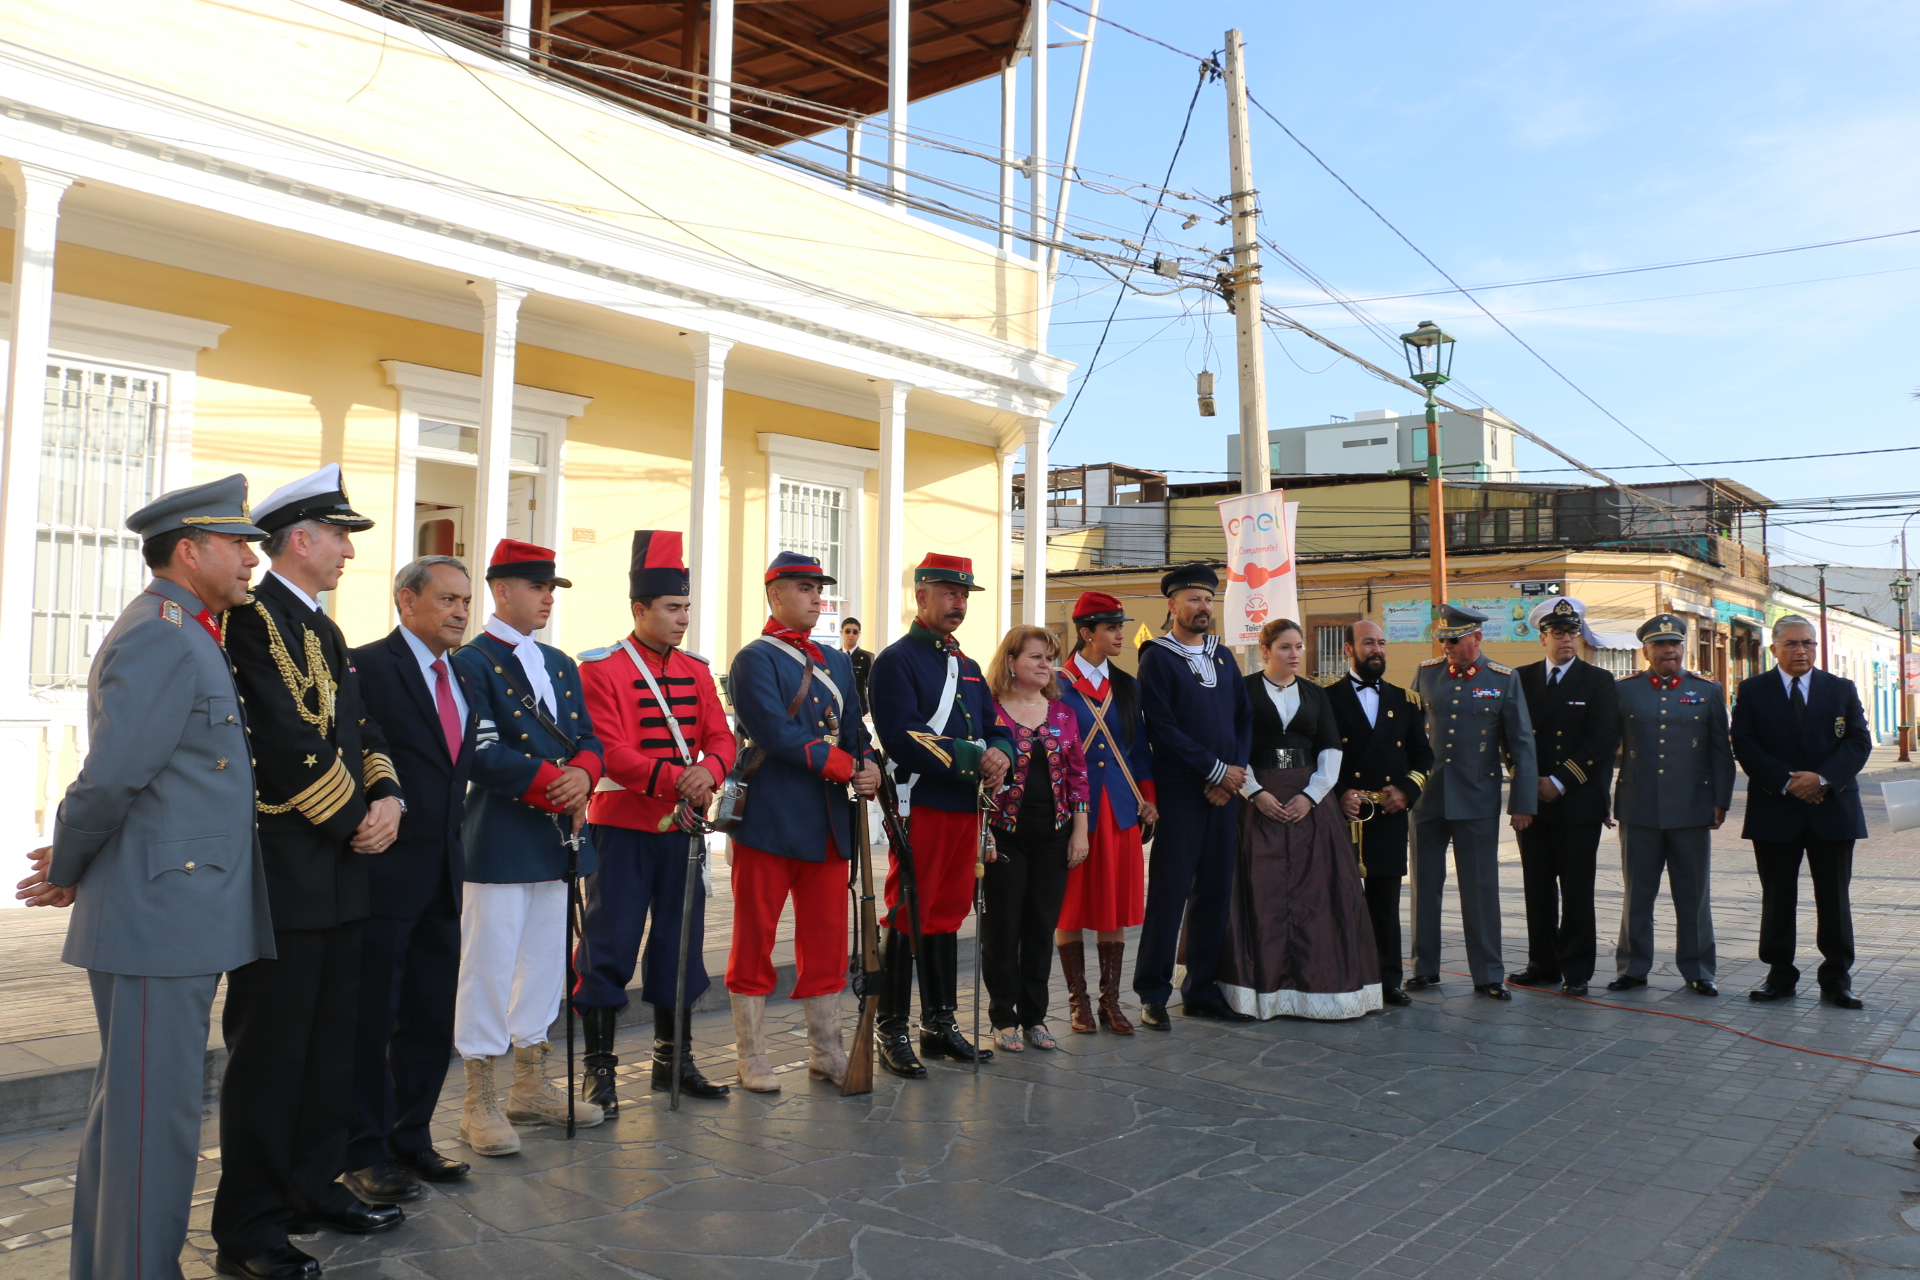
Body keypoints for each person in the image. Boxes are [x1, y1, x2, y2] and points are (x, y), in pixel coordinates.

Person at [16, 477, 274, 1280]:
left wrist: (76, 864)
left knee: (134, 1117)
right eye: (237, 544)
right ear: (190, 550)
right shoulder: (166, 633)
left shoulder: (190, 628)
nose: (250, 559)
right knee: (149, 1125)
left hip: (176, 904)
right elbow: (114, 774)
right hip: (164, 912)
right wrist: (69, 862)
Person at [214, 464, 407, 1275]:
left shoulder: (324, 631)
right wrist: (352, 816)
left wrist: (388, 795)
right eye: (338, 537)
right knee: (272, 1054)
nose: (346, 553)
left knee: (334, 1044)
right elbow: (285, 743)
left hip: (341, 870)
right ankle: (251, 1227)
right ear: (301, 538)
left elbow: (359, 731)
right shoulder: (252, 623)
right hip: (289, 867)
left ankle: (314, 1184)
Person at [450, 539, 607, 1155]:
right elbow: (482, 754)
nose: (547, 598)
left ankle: (530, 1083)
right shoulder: (472, 663)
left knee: (545, 959)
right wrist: (558, 783)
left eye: (551, 589)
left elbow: (589, 736)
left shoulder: (560, 663)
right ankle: (479, 1096)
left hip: (557, 834)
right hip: (499, 835)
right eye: (537, 587)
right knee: (488, 965)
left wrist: (587, 774)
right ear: (502, 590)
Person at [575, 531, 736, 1108]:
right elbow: (610, 749)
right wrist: (679, 779)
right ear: (639, 609)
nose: (683, 619)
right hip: (621, 828)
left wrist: (711, 770)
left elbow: (721, 736)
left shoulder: (696, 670)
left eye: (687, 607)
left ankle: (674, 1061)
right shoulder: (601, 669)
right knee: (608, 945)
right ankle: (600, 1068)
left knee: (680, 945)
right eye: (672, 608)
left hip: (681, 831)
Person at [343, 556, 478, 1206]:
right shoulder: (367, 666)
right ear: (406, 600)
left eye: (465, 601)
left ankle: (412, 1137)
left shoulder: (463, 675)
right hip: (384, 874)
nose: (460, 611)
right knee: (374, 1017)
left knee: (430, 1014)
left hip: (445, 873)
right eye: (448, 599)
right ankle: (363, 1152)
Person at [722, 552, 880, 1089]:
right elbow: (775, 732)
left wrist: (871, 766)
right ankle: (752, 1055)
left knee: (828, 940)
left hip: (829, 822)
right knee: (753, 937)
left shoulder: (836, 662)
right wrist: (843, 767)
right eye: (805, 588)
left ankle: (827, 1050)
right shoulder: (753, 659)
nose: (818, 597)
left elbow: (855, 729)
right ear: (775, 595)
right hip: (770, 818)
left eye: (819, 588)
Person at [868, 553, 1014, 1075]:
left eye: (964, 596)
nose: (958, 604)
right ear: (921, 596)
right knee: (908, 910)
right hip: (921, 801)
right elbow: (902, 736)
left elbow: (996, 725)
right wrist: (976, 757)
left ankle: (939, 1023)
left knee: (948, 911)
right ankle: (891, 1027)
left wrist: (1004, 752)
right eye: (948, 593)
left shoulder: (969, 667)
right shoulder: (897, 660)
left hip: (964, 807)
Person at [1218, 618, 1379, 1019]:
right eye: (1286, 647)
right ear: (1266, 649)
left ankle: (1318, 988)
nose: (1294, 654)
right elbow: (1235, 747)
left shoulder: (1314, 693)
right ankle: (1260, 991)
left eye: (1298, 647)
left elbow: (1329, 747)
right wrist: (1255, 793)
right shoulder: (1244, 690)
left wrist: (1312, 795)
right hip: (1259, 796)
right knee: (1260, 892)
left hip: (1310, 803)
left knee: (1318, 892)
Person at [1731, 614, 1873, 1007]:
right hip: (1776, 809)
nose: (1801, 651)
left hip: (1832, 809)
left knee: (1834, 898)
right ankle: (1779, 976)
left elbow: (1859, 742)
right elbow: (1744, 743)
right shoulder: (1753, 690)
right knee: (1777, 897)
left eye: (1808, 643)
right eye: (1792, 643)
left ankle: (1836, 979)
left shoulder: (1840, 689)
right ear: (1774, 648)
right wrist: (1789, 781)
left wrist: (1823, 779)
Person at [1134, 563, 1254, 1026]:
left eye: (1208, 599)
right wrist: (1217, 770)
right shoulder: (1157, 658)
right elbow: (1160, 728)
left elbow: (1243, 718)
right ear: (1172, 605)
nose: (1203, 607)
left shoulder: (1223, 655)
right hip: (1182, 793)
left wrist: (1234, 775)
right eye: (1193, 599)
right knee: (1169, 892)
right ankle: (1152, 992)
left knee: (1215, 893)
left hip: (1223, 795)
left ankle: (1202, 988)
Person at [1407, 603, 1538, 999]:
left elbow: (1520, 743)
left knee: (1480, 889)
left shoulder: (1502, 679)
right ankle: (1424, 968)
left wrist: (1522, 802)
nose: (1447, 645)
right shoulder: (1426, 674)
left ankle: (1487, 974)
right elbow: (1412, 737)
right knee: (1424, 887)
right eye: (1443, 638)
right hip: (1428, 797)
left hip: (1476, 798)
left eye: (1455, 638)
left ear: (1477, 638)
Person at [1609, 613, 1733, 996]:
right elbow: (1605, 748)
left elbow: (1720, 751)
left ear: (1683, 648)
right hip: (1639, 806)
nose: (1669, 651)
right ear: (1645, 651)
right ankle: (1633, 967)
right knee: (1637, 893)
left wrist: (1720, 800)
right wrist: (1603, 799)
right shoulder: (1624, 690)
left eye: (1675, 644)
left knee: (1693, 894)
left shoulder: (1708, 690)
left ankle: (1698, 970)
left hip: (1692, 807)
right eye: (1660, 645)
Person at [981, 626, 1089, 1051]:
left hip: (1054, 835)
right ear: (1011, 662)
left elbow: (1080, 778)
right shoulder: (991, 711)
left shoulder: (1064, 713)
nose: (1047, 666)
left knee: (1042, 927)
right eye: (1036, 657)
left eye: (1050, 658)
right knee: (1003, 928)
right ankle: (1002, 1017)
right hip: (1004, 834)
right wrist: (982, 834)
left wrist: (1079, 831)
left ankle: (1035, 1018)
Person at [1055, 592, 1156, 1034]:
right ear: (1086, 634)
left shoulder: (1127, 684)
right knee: (1070, 906)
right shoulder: (1056, 683)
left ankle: (1110, 1002)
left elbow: (1138, 748)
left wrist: (1148, 797)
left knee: (1113, 905)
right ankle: (1078, 1002)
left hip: (1118, 806)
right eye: (1111, 627)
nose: (1120, 634)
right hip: (1072, 809)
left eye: (1120, 626)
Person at [1510, 597, 1621, 996]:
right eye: (1557, 633)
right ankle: (1542, 963)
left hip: (1577, 801)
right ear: (1542, 638)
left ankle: (1576, 970)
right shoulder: (1519, 679)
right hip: (1532, 802)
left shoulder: (1598, 681)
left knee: (1577, 888)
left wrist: (1557, 782)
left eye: (1572, 632)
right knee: (1537, 886)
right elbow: (1509, 738)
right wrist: (1528, 783)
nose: (1567, 640)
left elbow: (1602, 742)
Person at [1326, 620, 1431, 1008]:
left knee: (1385, 903)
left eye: (1382, 643)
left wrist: (1406, 789)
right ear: (1348, 650)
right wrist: (1338, 793)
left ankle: (1388, 980)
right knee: (1339, 899)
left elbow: (1424, 755)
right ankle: (1342, 973)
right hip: (1344, 815)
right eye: (1368, 643)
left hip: (1387, 813)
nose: (1377, 650)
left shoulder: (1406, 701)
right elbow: (1317, 754)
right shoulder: (1326, 698)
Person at [840, 616, 874, 716]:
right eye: (847, 631)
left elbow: (871, 685)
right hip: (839, 705)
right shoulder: (835, 656)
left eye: (855, 632)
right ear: (842, 632)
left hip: (860, 707)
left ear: (859, 634)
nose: (851, 634)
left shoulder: (867, 657)